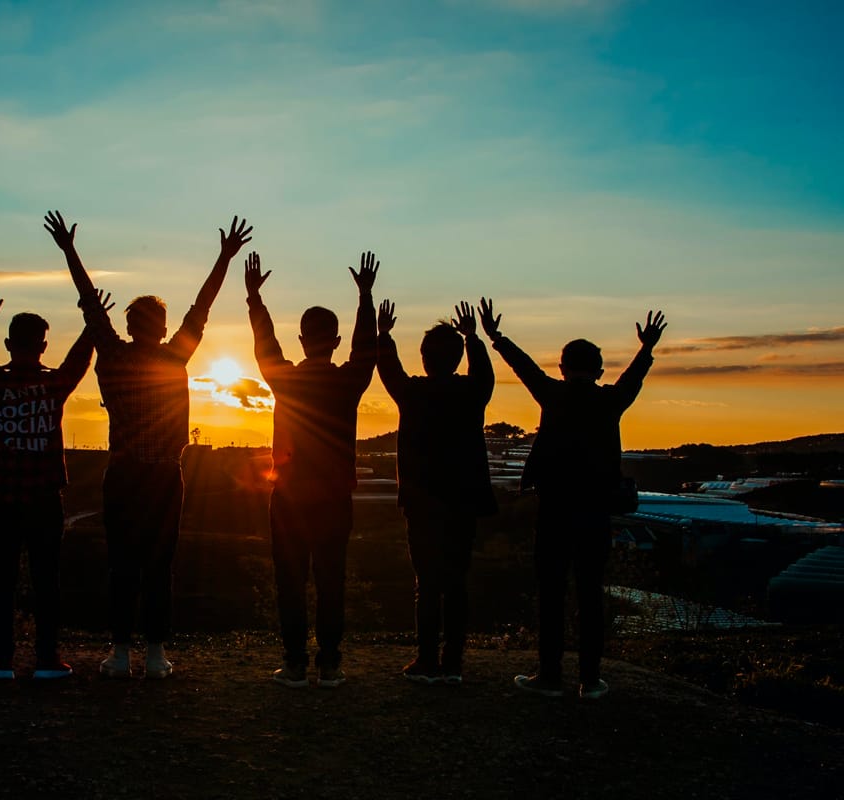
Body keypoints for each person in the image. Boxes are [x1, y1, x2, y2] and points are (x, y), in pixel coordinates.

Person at [44, 209, 252, 679]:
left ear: (130, 324)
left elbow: (89, 303)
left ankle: (119, 653)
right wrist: (223, 257)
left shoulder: (112, 355)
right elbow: (202, 306)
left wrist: (69, 251)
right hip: (162, 477)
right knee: (159, 565)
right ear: (160, 327)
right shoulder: (175, 355)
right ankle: (155, 654)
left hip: (123, 474)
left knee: (122, 565)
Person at [483, 300, 667, 700]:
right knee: (590, 592)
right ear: (599, 370)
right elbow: (633, 378)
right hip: (596, 511)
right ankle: (590, 678)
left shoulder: (553, 394)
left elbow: (525, 367)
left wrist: (497, 337)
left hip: (553, 508)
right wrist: (646, 347)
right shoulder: (609, 401)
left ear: (562, 367)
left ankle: (549, 675)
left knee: (550, 592)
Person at [246, 250, 378, 689]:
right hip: (335, 498)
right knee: (330, 580)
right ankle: (331, 664)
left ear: (302, 340)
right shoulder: (347, 382)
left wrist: (255, 300)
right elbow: (367, 351)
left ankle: (296, 663)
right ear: (335, 340)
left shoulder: (286, 379)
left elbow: (265, 347)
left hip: (288, 497)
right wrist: (365, 298)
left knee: (291, 581)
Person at [0, 283, 109, 681]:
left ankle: (2, 660)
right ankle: (47, 658)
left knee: (3, 579)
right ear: (43, 346)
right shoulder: (53, 384)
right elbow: (80, 360)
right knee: (47, 580)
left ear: (10, 343)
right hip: (45, 498)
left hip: (2, 497)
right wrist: (91, 322)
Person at [377, 300, 496, 686]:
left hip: (422, 502)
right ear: (458, 358)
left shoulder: (413, 393)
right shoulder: (471, 392)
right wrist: (474, 338)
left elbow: (388, 370)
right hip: (462, 500)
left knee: (426, 583)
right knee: (457, 582)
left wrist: (384, 335)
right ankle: (453, 663)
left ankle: (426, 661)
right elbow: (485, 376)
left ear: (424, 357)